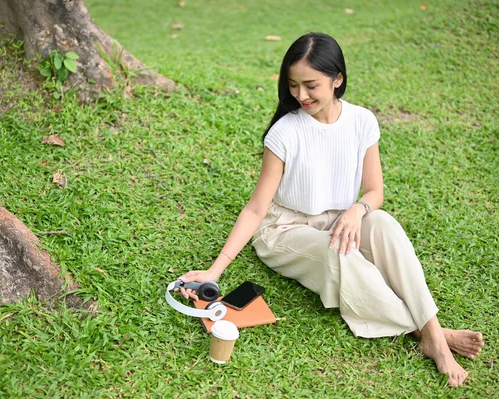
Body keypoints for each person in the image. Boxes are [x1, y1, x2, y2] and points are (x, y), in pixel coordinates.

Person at [176, 32, 483, 387]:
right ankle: (432, 335)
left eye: (311, 85)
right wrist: (215, 269)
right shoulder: (284, 133)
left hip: (340, 219)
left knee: (384, 224)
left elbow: (375, 190)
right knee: (344, 255)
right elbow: (257, 209)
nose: (300, 96)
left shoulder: (362, 121)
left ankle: (430, 330)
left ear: (337, 79)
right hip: (285, 230)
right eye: (293, 85)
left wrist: (358, 210)